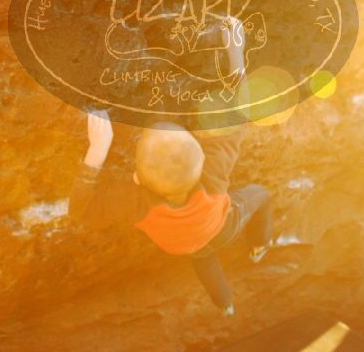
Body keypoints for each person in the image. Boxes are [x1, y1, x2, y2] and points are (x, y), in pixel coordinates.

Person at [68, 110, 274, 316]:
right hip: (222, 227)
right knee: (262, 194)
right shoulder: (212, 170)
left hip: (183, 243)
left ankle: (225, 305)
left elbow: (82, 210)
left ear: (137, 178)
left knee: (202, 256)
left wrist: (98, 149)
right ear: (202, 157)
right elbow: (231, 127)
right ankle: (260, 245)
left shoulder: (136, 202)